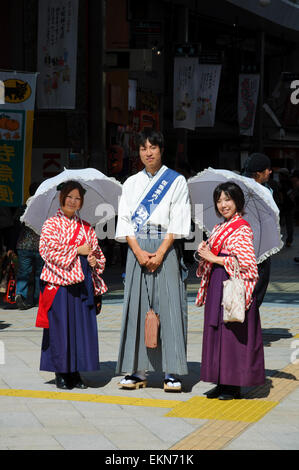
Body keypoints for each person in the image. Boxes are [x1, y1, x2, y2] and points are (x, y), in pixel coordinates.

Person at [115, 128, 191, 392]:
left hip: (166, 247)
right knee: (136, 306)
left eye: (153, 147)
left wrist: (160, 252)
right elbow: (124, 220)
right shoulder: (131, 183)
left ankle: (172, 371)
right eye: (143, 148)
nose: (148, 152)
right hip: (136, 247)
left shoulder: (177, 181)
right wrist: (137, 251)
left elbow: (180, 220)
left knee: (170, 306)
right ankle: (137, 370)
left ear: (161, 150)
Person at [195, 182, 265, 400]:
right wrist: (204, 251)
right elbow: (215, 256)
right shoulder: (218, 228)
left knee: (232, 333)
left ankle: (233, 385)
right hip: (218, 281)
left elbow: (247, 264)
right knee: (217, 330)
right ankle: (221, 381)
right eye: (219, 200)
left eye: (228, 199)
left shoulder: (242, 228)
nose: (223, 204)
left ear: (237, 202)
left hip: (232, 284)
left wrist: (214, 258)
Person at [37, 180, 107, 390]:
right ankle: (61, 372)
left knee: (79, 329)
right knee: (60, 329)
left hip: (82, 284)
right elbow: (47, 252)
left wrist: (94, 260)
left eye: (77, 198)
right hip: (59, 284)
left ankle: (76, 371)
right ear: (62, 198)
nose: (73, 201)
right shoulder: (51, 224)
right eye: (69, 197)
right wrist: (76, 251)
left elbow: (96, 252)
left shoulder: (86, 226)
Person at [242, 152, 273, 308]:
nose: (270, 172)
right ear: (258, 173)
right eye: (267, 169)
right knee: (256, 286)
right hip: (255, 247)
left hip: (250, 246)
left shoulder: (239, 187)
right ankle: (247, 323)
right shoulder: (258, 193)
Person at [14, 182, 44, 309]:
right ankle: (38, 299)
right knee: (39, 274)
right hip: (40, 246)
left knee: (23, 274)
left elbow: (15, 224)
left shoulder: (24, 207)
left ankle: (21, 295)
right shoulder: (45, 207)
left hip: (24, 245)